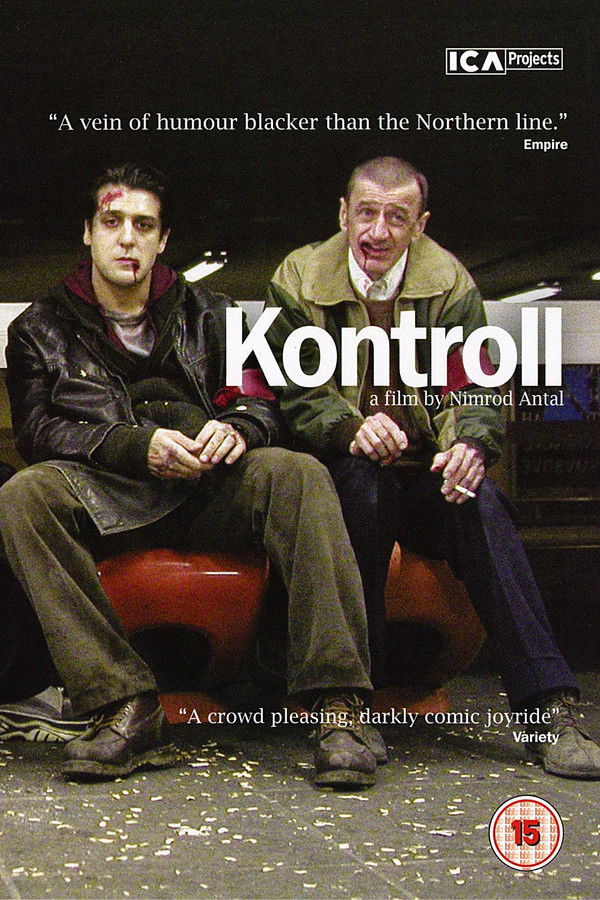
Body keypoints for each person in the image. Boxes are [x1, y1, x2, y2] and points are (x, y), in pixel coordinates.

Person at [0, 163, 383, 787]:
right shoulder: (38, 330)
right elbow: (38, 433)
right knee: (23, 495)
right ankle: (124, 703)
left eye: (143, 225)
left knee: (300, 474)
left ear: (163, 239)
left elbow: (260, 401)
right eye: (113, 222)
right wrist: (132, 447)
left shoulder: (215, 314)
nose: (128, 238)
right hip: (112, 489)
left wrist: (240, 428)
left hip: (210, 485)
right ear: (89, 232)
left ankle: (338, 703)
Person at [265, 155, 600, 780]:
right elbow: (295, 388)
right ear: (343, 214)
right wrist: (351, 428)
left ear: (419, 225)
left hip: (422, 469)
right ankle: (347, 709)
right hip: (344, 466)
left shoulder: (448, 281)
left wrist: (469, 445)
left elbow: (473, 382)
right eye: (366, 213)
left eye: (397, 217)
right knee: (357, 491)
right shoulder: (299, 276)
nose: (378, 231)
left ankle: (548, 709)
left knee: (483, 502)